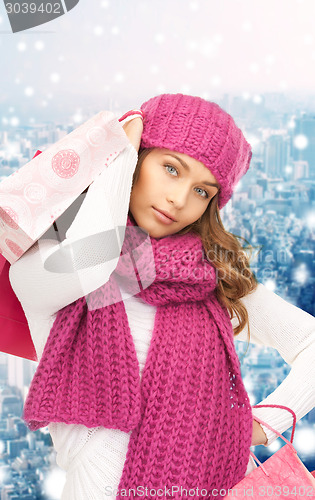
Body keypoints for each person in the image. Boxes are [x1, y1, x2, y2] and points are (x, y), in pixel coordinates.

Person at [9, 93, 315, 500]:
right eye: (171, 168)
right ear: (136, 160)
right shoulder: (46, 269)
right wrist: (119, 146)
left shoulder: (212, 279)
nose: (179, 199)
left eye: (202, 192)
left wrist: (264, 422)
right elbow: (96, 255)